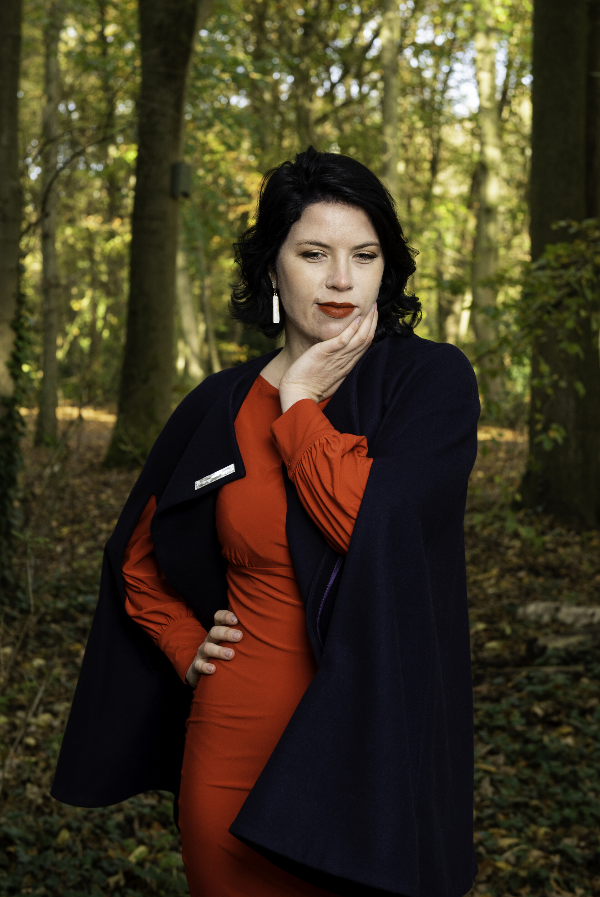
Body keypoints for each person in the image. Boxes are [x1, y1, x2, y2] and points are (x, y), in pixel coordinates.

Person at [52, 146, 480, 897]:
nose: (342, 279)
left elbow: (375, 529)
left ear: (388, 268)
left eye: (365, 255)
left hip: (374, 758)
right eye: (314, 253)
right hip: (234, 748)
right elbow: (136, 555)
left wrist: (301, 404)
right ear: (273, 269)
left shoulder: (430, 382)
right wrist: (186, 644)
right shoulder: (217, 404)